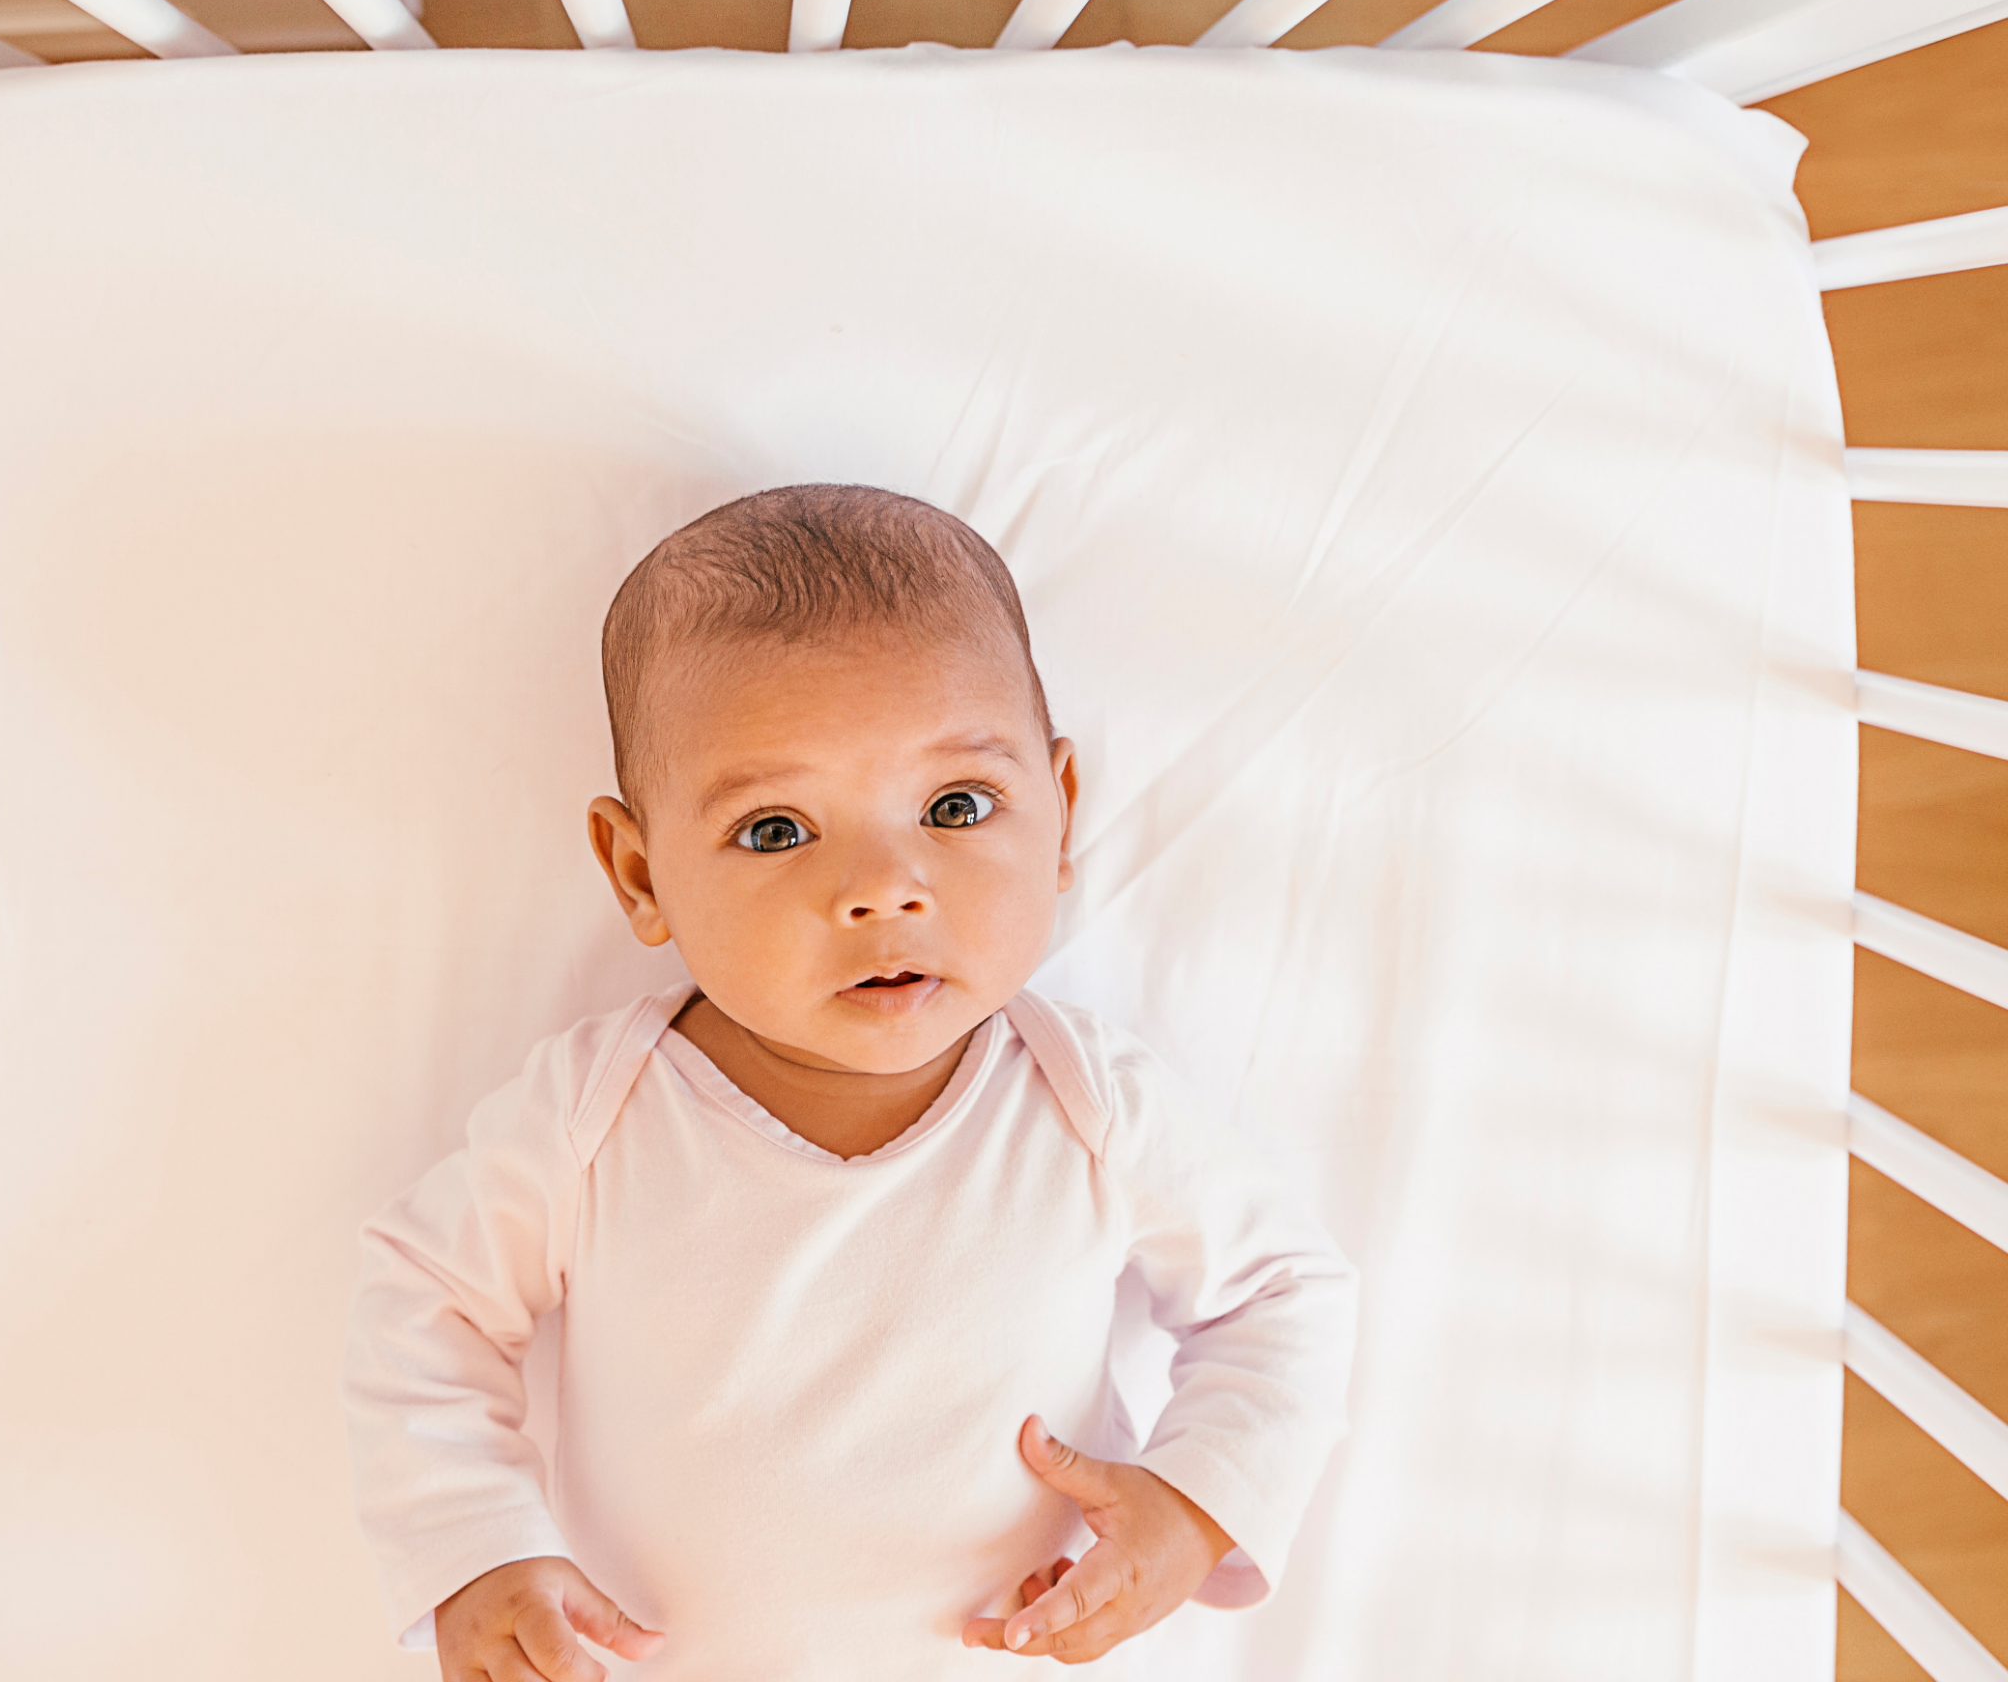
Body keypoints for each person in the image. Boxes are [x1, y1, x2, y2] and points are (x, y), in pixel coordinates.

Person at [342, 485, 1356, 1681]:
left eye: (956, 808)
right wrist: (474, 1548)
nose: (883, 887)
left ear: (1063, 811)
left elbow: (1283, 1296)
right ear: (640, 871)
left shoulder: (1087, 1105)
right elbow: (425, 1304)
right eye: (778, 830)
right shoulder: (596, 1115)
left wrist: (1196, 1506)